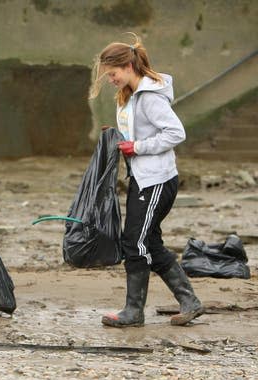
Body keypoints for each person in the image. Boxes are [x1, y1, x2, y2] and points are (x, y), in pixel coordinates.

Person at [89, 34, 204, 327]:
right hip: (142, 178)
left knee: (134, 241)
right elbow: (139, 133)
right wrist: (118, 137)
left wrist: (137, 147)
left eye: (112, 74)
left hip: (157, 181)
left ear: (128, 65)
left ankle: (133, 311)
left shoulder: (150, 97)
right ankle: (190, 301)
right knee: (150, 242)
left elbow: (176, 133)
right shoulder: (130, 95)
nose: (110, 80)